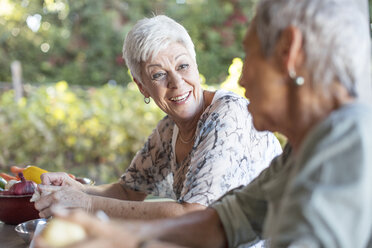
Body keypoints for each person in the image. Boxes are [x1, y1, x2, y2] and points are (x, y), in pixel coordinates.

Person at [34, 0, 372, 247]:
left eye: (249, 54)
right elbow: (225, 222)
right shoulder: (304, 152)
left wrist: (124, 234)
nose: (241, 80)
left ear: (289, 52)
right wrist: (123, 234)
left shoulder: (347, 153)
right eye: (158, 75)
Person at [34, 15, 281, 221]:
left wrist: (87, 204)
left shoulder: (228, 113)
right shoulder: (168, 129)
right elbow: (128, 191)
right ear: (142, 87)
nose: (176, 83)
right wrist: (76, 189)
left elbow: (194, 214)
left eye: (183, 66)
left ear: (195, 65)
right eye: (158, 75)